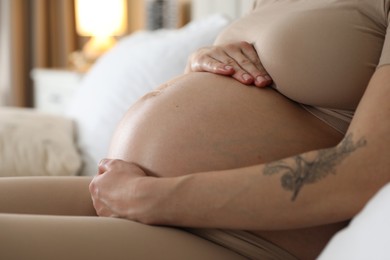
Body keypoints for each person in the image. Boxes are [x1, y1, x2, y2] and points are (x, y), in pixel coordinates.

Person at [1, 0, 390, 259]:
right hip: (138, 196)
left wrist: (147, 196)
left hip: (238, 237)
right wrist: (203, 63)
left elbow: (363, 173)